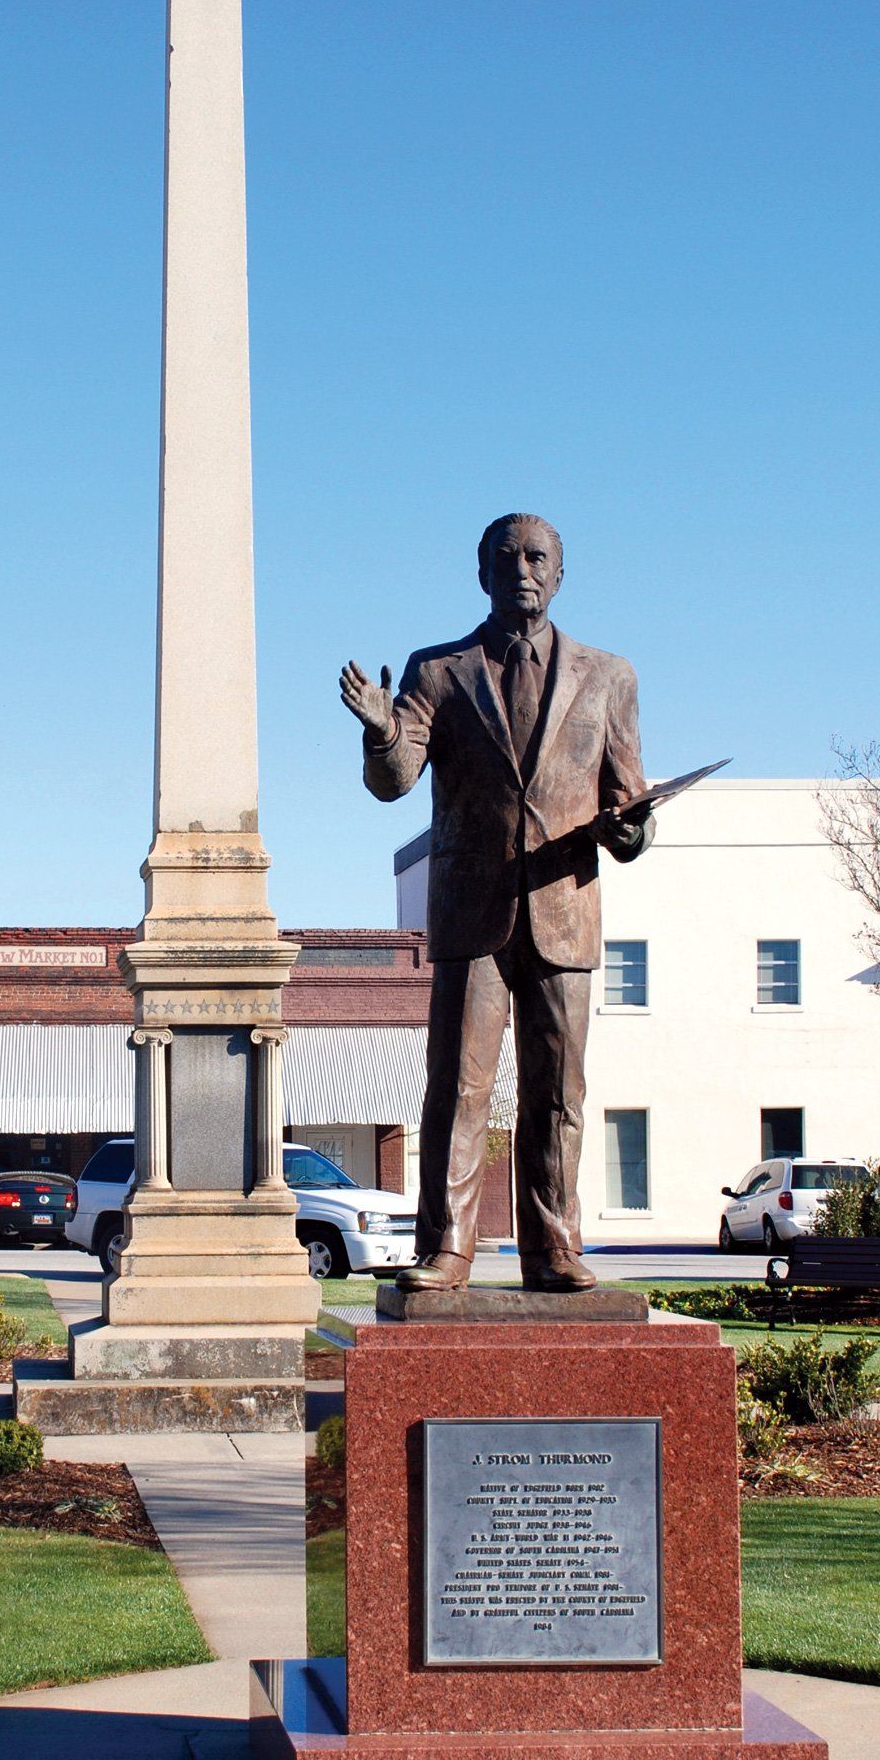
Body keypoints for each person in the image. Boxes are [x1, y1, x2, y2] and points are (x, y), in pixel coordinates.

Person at [340, 512, 652, 1292]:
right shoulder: (438, 670)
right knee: (457, 1086)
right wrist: (383, 731)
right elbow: (395, 782)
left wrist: (633, 825)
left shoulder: (610, 676)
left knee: (560, 1091)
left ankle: (555, 1247)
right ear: (482, 574)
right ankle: (446, 1249)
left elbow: (627, 804)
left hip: (564, 906)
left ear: (559, 573)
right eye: (506, 557)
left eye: (537, 556)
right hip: (472, 909)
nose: (523, 568)